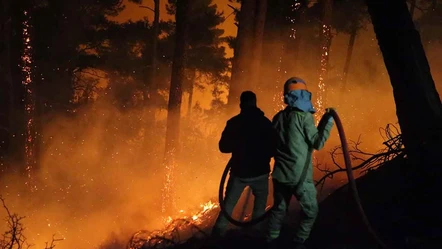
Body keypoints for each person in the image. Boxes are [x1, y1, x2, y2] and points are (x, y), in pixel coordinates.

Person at [266, 77, 334, 248]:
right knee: (311, 212)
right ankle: (299, 242)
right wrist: (328, 121)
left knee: (279, 210)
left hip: (280, 175)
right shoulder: (304, 118)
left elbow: (272, 145)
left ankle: (271, 241)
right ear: (304, 94)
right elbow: (317, 142)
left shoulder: (278, 117)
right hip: (299, 177)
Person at [212, 91, 275, 237]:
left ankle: (215, 238)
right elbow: (273, 148)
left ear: (241, 104)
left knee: (227, 208)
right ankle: (253, 238)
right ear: (255, 103)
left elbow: (223, 147)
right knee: (259, 209)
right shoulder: (265, 123)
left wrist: (239, 145)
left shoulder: (234, 123)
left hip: (239, 173)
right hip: (261, 173)